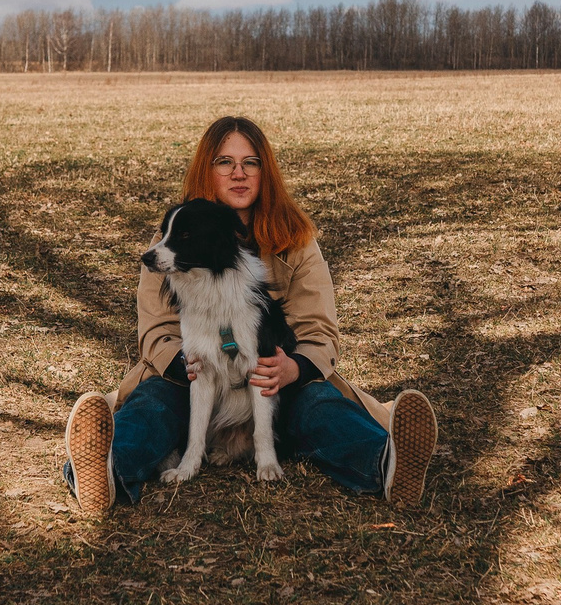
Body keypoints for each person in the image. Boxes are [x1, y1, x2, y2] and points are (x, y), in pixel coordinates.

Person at [62, 115, 437, 517]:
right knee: (154, 403)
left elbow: (320, 330)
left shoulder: (295, 238)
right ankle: (104, 469)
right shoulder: (167, 245)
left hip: (275, 388)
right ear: (206, 171)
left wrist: (293, 368)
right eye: (225, 162)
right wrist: (182, 361)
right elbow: (154, 330)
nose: (238, 173)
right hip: (189, 381)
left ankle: (386, 462)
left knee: (319, 404)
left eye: (250, 163)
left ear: (265, 172)